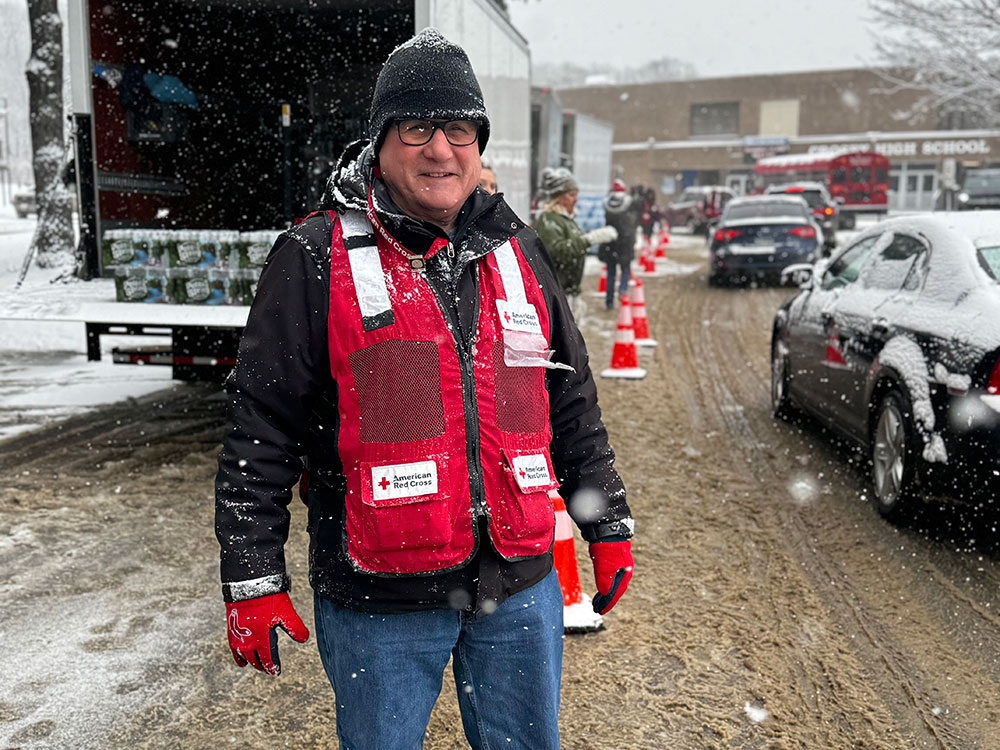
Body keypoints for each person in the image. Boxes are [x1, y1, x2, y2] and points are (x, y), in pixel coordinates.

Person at [215, 28, 634, 750]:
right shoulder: (314, 257)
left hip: (521, 582)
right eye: (417, 127)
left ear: (479, 142)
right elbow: (263, 428)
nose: (441, 149)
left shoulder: (519, 250)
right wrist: (253, 574)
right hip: (379, 599)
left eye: (460, 128)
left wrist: (607, 522)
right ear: (380, 141)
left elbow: (569, 399)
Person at [533, 167, 617, 319]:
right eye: (571, 195)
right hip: (556, 295)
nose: (576, 199)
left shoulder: (565, 220)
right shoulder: (549, 221)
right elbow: (557, 252)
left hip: (566, 293)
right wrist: (589, 239)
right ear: (558, 197)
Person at [601, 178, 641, 310]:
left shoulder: (607, 203)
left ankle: (609, 301)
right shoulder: (628, 202)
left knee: (611, 274)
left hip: (610, 241)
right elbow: (636, 216)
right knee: (625, 270)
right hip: (625, 241)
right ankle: (623, 292)